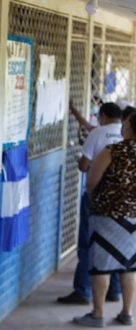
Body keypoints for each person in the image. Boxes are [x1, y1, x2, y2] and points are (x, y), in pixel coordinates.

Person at [73, 112, 136, 327]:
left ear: (129, 129)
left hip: (107, 215)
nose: (122, 127)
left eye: (125, 124)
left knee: (101, 264)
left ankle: (98, 314)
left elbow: (91, 181)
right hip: (134, 218)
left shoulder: (112, 151)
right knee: (129, 266)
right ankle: (126, 312)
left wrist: (94, 200)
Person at [58, 102, 123, 305]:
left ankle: (83, 290)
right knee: (117, 243)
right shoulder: (127, 135)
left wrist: (85, 162)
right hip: (122, 201)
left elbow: (84, 165)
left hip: (97, 197)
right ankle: (115, 290)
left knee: (88, 243)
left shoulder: (98, 134)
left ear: (102, 116)